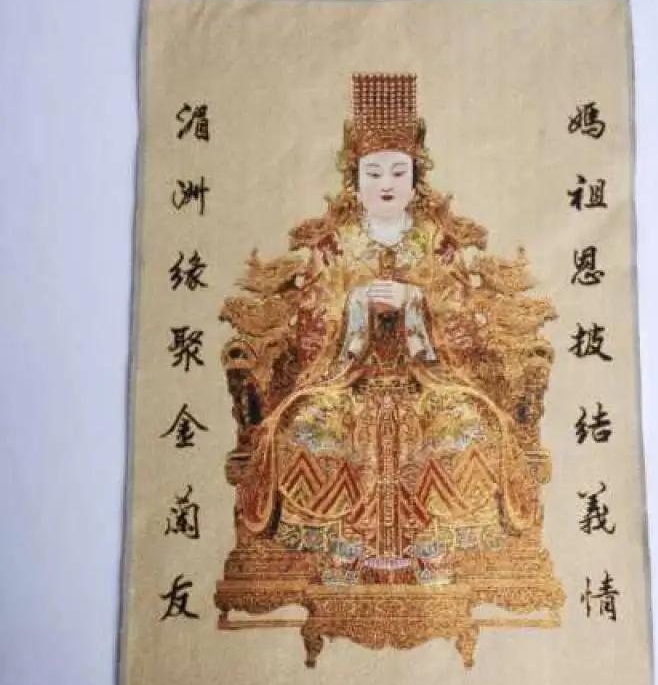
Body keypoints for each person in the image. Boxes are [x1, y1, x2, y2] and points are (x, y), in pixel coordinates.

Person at [221, 73, 559, 593]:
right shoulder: (335, 245)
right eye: (373, 171)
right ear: (354, 179)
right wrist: (353, 305)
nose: (386, 183)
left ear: (415, 178)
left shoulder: (438, 244)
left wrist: (416, 304)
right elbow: (309, 324)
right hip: (346, 379)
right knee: (308, 429)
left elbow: (463, 322)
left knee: (463, 427)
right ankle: (343, 546)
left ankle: (434, 546)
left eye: (398, 172)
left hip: (428, 379)